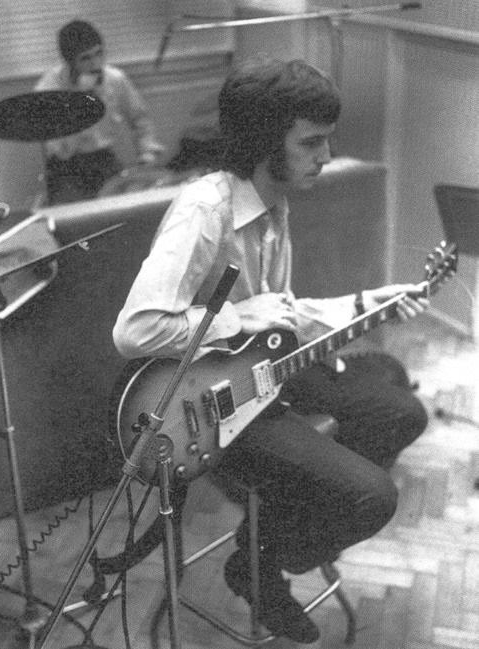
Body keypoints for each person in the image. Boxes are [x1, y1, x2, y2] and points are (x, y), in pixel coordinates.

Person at [113, 58, 429, 644]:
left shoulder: (274, 198)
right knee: (371, 497)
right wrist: (236, 318)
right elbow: (136, 330)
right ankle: (264, 560)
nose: (326, 155)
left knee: (401, 411)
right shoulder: (205, 209)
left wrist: (368, 302)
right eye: (311, 142)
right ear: (263, 143)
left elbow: (280, 317)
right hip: (207, 405)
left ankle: (272, 543)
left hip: (261, 368)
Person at [35, 19, 164, 205]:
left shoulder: (114, 79)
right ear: (70, 62)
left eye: (99, 53)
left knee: (128, 205)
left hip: (103, 159)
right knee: (75, 216)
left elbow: (140, 118)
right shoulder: (49, 90)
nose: (96, 65)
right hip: (66, 168)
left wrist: (147, 153)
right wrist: (80, 101)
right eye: (85, 58)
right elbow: (61, 151)